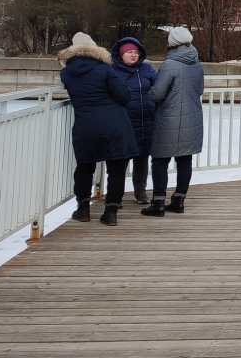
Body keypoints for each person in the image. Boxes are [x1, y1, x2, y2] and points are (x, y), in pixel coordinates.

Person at [58, 32, 140, 227]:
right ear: (95, 49)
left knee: (85, 167)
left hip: (85, 126)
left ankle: (83, 208)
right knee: (117, 169)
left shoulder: (66, 73)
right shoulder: (105, 70)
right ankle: (110, 212)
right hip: (114, 125)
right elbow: (124, 96)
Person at [143, 26, 205, 217]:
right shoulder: (196, 64)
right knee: (185, 159)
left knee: (160, 160)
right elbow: (200, 90)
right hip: (192, 117)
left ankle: (158, 202)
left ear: (172, 43)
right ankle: (178, 200)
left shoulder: (169, 65)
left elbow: (157, 94)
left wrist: (149, 91)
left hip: (169, 118)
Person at [110, 37, 157, 205]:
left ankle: (140, 192)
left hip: (146, 121)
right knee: (121, 160)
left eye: (136, 52)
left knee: (142, 158)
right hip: (123, 121)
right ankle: (116, 195)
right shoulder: (112, 70)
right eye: (129, 52)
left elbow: (158, 88)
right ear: (121, 54)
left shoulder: (147, 69)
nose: (133, 55)